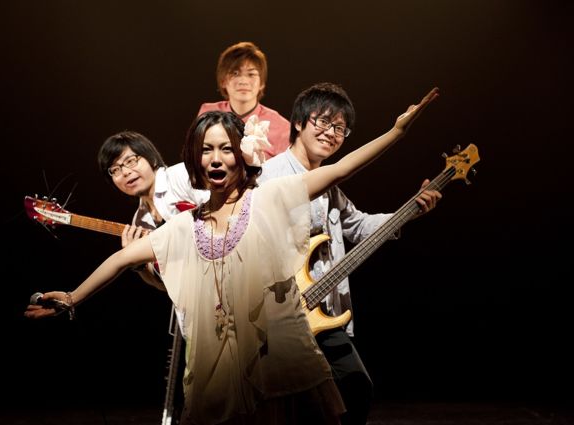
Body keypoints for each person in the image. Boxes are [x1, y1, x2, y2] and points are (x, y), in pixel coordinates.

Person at [25, 86, 439, 425]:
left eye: (226, 148)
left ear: (241, 154)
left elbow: (342, 168)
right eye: (207, 150)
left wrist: (397, 132)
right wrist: (72, 297)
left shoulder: (269, 197)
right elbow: (119, 260)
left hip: (280, 352)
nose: (216, 158)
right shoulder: (186, 226)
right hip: (222, 362)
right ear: (195, 159)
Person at [258, 82, 442, 425]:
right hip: (281, 314)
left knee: (353, 390)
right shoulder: (270, 176)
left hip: (323, 311)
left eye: (340, 128)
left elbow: (358, 226)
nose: (331, 133)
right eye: (323, 122)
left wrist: (411, 209)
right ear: (298, 122)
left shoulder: (331, 189)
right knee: (308, 402)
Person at [97, 130, 209, 289]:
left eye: (131, 161)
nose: (125, 172)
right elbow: (163, 286)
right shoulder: (138, 222)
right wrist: (137, 263)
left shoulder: (181, 175)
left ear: (152, 159)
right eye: (115, 170)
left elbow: (224, 214)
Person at [197, 41, 290, 159]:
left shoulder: (281, 127)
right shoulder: (208, 113)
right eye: (235, 73)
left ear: (261, 83)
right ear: (223, 81)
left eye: (251, 74)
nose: (243, 81)